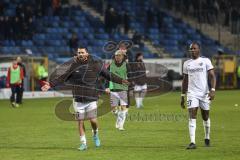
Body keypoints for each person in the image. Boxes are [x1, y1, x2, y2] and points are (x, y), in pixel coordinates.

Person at [41, 46, 129, 151]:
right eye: (79, 52)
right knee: (80, 121)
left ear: (87, 53)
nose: (80, 54)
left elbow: (109, 75)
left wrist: (121, 81)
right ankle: (83, 143)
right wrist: (50, 84)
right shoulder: (73, 66)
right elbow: (62, 77)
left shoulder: (96, 65)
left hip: (91, 98)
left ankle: (95, 133)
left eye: (82, 52)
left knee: (93, 121)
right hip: (78, 99)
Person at [181, 42, 216, 149]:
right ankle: (192, 142)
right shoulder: (187, 63)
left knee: (205, 116)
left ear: (199, 49)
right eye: (191, 49)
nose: (192, 50)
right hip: (192, 93)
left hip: (204, 93)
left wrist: (213, 89)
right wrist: (182, 95)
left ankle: (207, 137)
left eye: (194, 48)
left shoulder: (205, 61)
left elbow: (212, 76)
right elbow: (185, 80)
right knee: (192, 115)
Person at [105, 50, 131, 131]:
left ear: (122, 56)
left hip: (123, 89)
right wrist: (107, 87)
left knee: (123, 108)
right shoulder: (111, 65)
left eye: (119, 55)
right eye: (116, 55)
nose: (117, 57)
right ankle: (119, 118)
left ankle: (121, 126)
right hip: (113, 89)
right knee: (113, 109)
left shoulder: (126, 65)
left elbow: (130, 76)